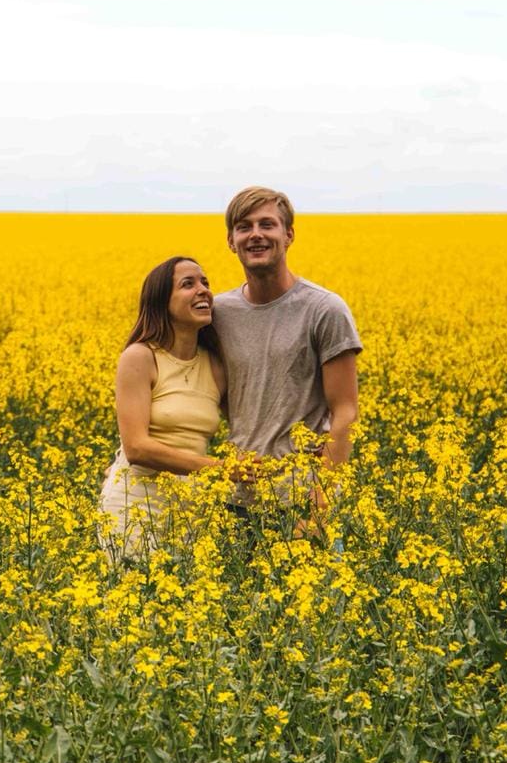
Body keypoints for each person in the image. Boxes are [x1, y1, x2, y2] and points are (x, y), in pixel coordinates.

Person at [213, 186, 362, 513]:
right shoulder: (217, 313)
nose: (255, 235)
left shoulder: (324, 310)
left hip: (301, 499)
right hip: (237, 500)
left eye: (267, 225)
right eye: (244, 227)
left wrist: (319, 506)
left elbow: (345, 412)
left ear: (289, 234)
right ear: (230, 240)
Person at [99, 255, 226, 557]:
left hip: (189, 511)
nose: (203, 290)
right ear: (161, 302)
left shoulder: (216, 366)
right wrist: (220, 470)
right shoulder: (140, 357)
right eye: (188, 284)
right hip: (135, 507)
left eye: (205, 282)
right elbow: (136, 448)